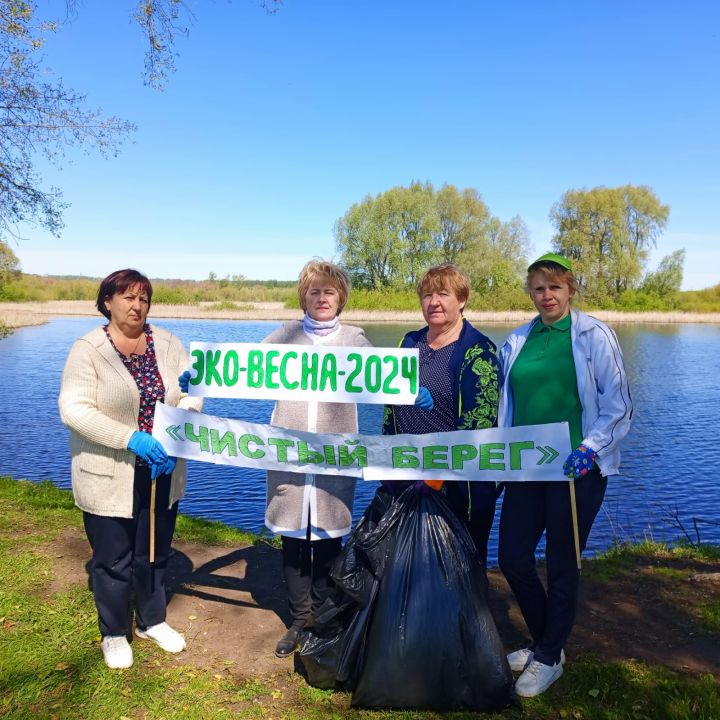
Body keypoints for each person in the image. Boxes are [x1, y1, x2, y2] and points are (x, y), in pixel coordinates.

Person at [497, 252, 633, 697]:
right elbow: (505, 408)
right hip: (528, 468)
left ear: (570, 290)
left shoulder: (594, 335)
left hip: (577, 469)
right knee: (513, 557)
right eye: (538, 287)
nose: (546, 295)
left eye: (554, 286)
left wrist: (590, 448)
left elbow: (619, 404)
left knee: (561, 563)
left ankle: (550, 656)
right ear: (530, 293)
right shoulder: (517, 340)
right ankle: (546, 644)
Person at [58, 268, 202, 670]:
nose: (137, 306)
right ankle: (115, 632)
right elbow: (74, 410)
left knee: (155, 551)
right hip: (108, 470)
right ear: (108, 302)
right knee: (113, 558)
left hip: (161, 469)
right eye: (128, 298)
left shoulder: (170, 344)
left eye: (144, 299)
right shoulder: (87, 349)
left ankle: (151, 621)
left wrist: (179, 427)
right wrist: (130, 438)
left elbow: (191, 396)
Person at [262, 260, 372, 658]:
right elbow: (241, 372)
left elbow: (388, 380)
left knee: (328, 539)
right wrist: (204, 377)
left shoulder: (356, 341)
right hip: (288, 454)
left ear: (340, 297)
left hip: (334, 456)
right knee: (292, 539)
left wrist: (413, 391)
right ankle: (298, 619)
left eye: (329, 291)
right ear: (303, 297)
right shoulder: (283, 336)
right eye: (314, 291)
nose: (322, 298)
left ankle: (324, 618)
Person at [381, 263, 502, 569]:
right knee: (406, 566)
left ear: (461, 299)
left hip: (458, 484)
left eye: (443, 294)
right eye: (427, 295)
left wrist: (438, 473)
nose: (433, 302)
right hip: (407, 474)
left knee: (459, 568)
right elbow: (389, 411)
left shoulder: (478, 351)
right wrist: (386, 459)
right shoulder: (408, 343)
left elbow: (480, 426)